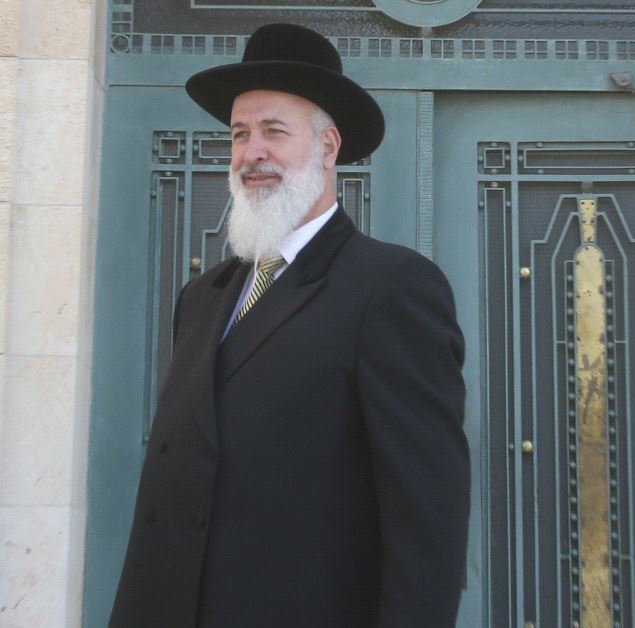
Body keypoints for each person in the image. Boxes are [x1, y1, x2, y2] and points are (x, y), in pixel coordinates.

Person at [109, 23, 470, 628]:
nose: (253, 152)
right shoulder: (202, 297)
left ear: (328, 148)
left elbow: (426, 516)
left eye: (274, 131)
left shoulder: (390, 287)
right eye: (241, 133)